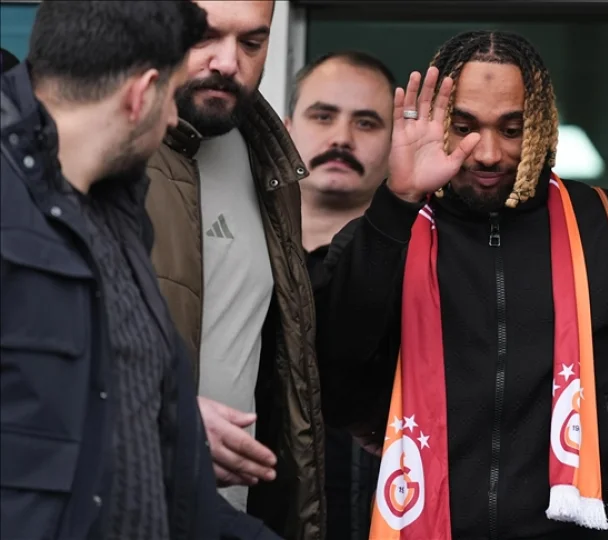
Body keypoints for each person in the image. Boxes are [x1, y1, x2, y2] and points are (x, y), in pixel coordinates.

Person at [321, 30, 608, 540]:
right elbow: (335, 385)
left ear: (543, 124)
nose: (488, 153)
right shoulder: (388, 234)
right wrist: (398, 202)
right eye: (465, 127)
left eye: (512, 128)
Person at [145, 1, 429, 537]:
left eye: (253, 43)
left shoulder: (260, 167)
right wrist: (160, 416)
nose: (228, 61)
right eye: (323, 116)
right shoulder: (119, 152)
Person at [0, 2, 277, 539]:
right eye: (171, 98)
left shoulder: (120, 216)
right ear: (142, 94)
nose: (174, 120)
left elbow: (163, 478)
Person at [285, 50, 396, 540]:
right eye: (323, 116)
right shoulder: (237, 256)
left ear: (395, 142)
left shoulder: (429, 263)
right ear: (287, 128)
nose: (342, 138)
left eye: (366, 123)